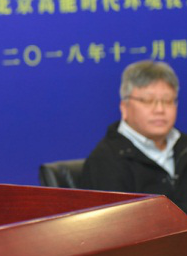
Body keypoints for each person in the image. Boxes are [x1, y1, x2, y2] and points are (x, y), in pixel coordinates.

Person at [80, 60, 187, 213]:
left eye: (167, 100)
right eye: (148, 101)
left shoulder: (183, 147)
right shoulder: (106, 160)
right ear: (124, 107)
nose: (160, 109)